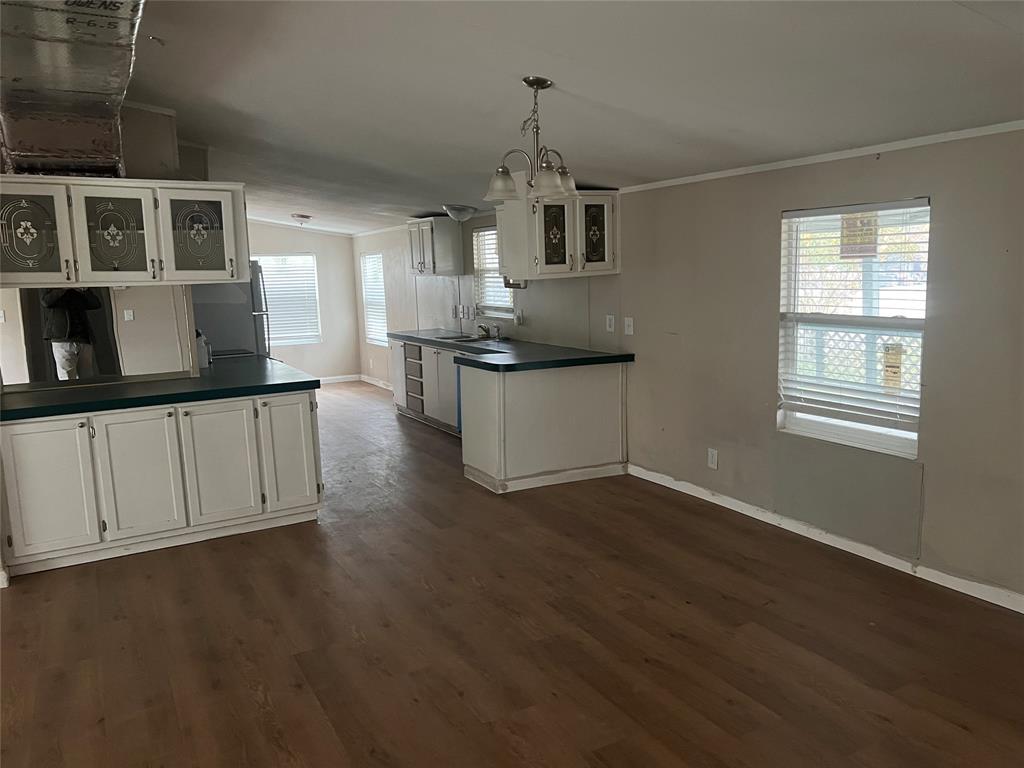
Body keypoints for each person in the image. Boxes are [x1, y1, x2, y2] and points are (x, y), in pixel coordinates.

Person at [40, 288, 102, 380]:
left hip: (84, 339)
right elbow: (46, 302)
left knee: (88, 379)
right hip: (62, 339)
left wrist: (84, 290)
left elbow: (95, 304)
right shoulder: (52, 285)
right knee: (67, 379)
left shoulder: (80, 289)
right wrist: (63, 288)